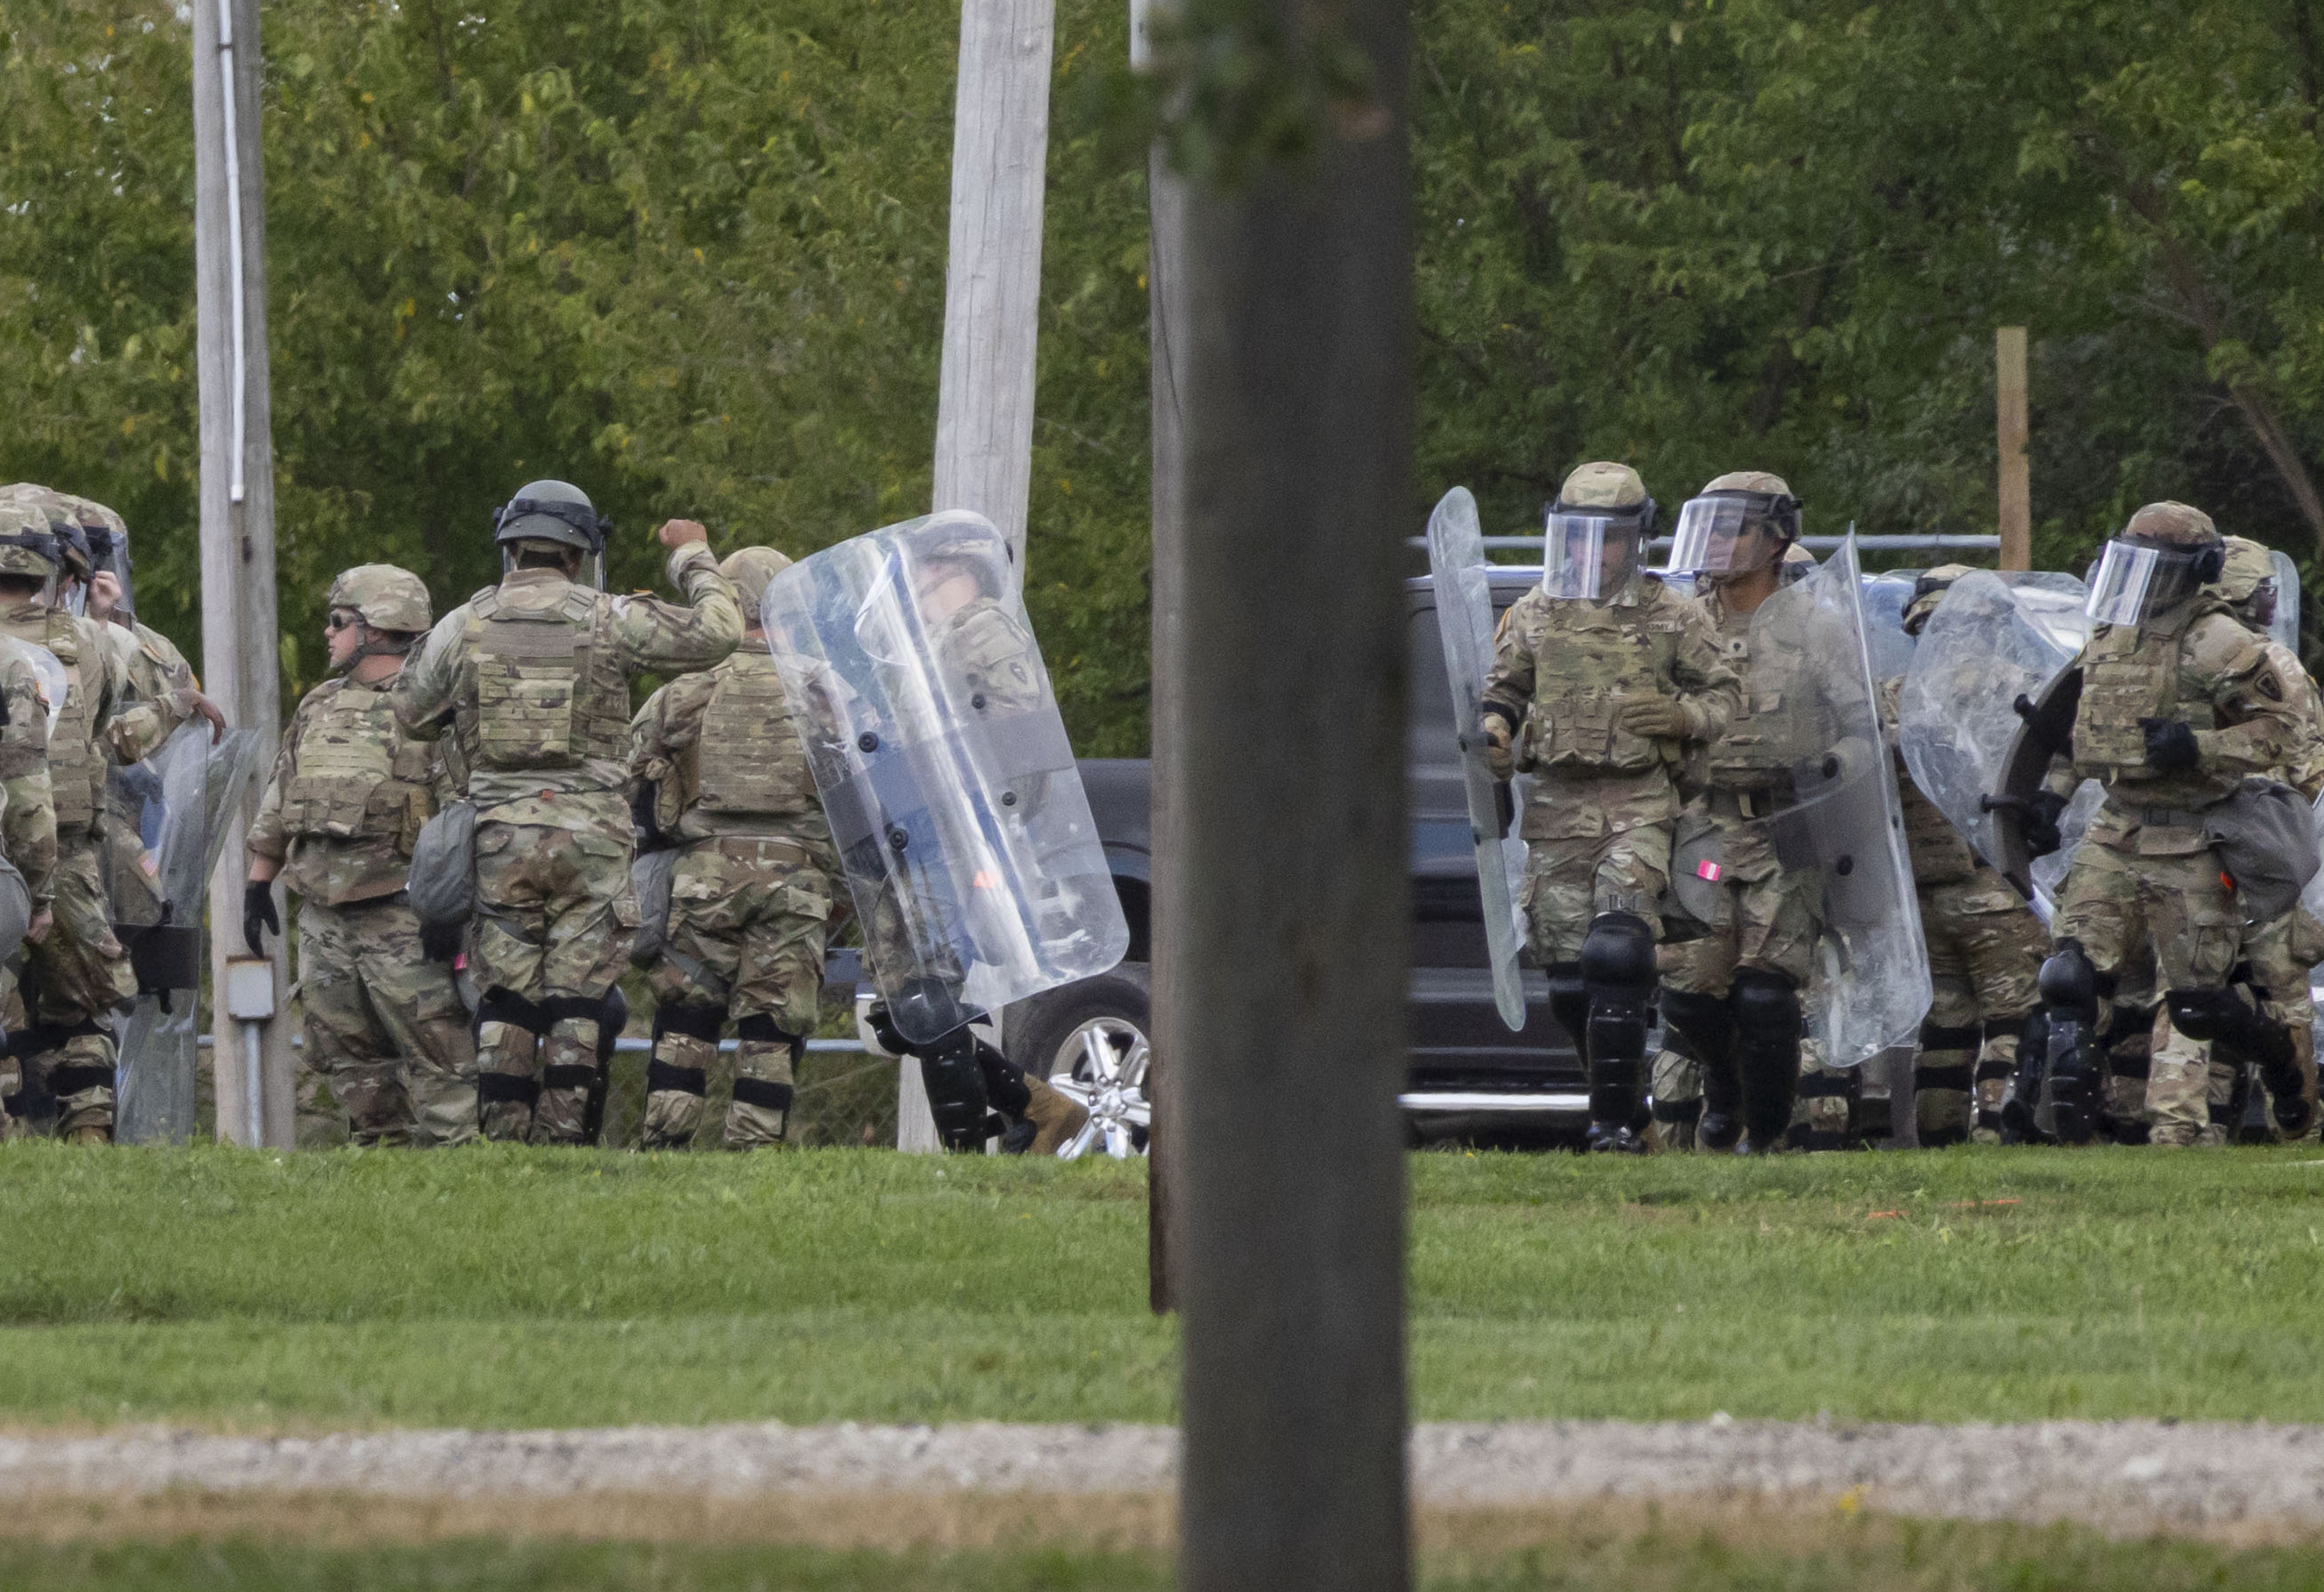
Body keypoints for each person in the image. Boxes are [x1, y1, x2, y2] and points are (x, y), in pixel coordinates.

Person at [393, 481, 741, 1144]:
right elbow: (720, 633)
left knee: (505, 996)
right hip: (594, 840)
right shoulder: (612, 618)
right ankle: (564, 1139)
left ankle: (504, 1140)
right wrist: (692, 554)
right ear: (580, 555)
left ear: (511, 548)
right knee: (579, 997)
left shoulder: (463, 624)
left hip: (501, 835)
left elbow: (409, 714)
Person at [1476, 461, 1740, 1152]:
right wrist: (1497, 735)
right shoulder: (1534, 613)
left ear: (1637, 538)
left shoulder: (1672, 615)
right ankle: (1636, 1111)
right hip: (1558, 807)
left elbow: (1725, 698)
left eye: (1610, 537)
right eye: (1579, 535)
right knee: (1569, 984)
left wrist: (1681, 718)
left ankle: (1611, 1128)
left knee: (1619, 951)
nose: (1593, 551)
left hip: (1639, 803)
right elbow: (1503, 691)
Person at [2034, 503, 2304, 1149]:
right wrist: (2049, 798)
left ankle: (2280, 1061)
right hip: (2118, 824)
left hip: (2191, 833)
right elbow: (2081, 730)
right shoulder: (2111, 633)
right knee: (2069, 975)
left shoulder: (2223, 643)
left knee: (2197, 1005)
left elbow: (2282, 734)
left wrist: (2200, 747)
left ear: (2195, 572)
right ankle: (2072, 1132)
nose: (2141, 579)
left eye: (2155, 566)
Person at [835, 524, 1094, 1154]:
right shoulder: (933, 645)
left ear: (959, 566)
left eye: (926, 567)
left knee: (928, 992)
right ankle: (1039, 1108)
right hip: (923, 833)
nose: (915, 580)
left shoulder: (981, 626)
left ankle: (969, 1151)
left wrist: (982, 810)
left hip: (958, 834)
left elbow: (1016, 731)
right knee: (908, 1007)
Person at [244, 565, 479, 1147]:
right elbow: (281, 798)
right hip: (324, 916)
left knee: (444, 1061)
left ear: (376, 630)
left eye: (338, 622)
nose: (327, 634)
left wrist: (454, 918)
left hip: (403, 914)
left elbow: (463, 815)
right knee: (348, 1063)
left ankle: (470, 1189)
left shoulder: (433, 710)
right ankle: (380, 1177)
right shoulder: (319, 705)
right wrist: (257, 885)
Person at [1657, 472, 1857, 1154]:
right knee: (1688, 995)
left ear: (1776, 541)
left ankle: (1764, 1139)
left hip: (1785, 826)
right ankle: (1723, 1080)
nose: (1715, 542)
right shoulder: (1677, 621)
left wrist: (1833, 764)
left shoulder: (1817, 627)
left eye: (1732, 527)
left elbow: (1868, 727)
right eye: (1707, 526)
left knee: (1767, 1001)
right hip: (1701, 829)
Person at [627, 546, 842, 1149]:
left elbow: (636, 781)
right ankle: (752, 1156)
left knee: (685, 1020)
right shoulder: (827, 694)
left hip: (704, 880)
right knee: (772, 1030)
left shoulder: (687, 692)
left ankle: (663, 1151)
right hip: (797, 885)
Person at [1886, 567, 2047, 1145]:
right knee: (2015, 1020)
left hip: (1924, 897)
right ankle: (1999, 1139)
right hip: (1999, 892)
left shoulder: (1892, 699)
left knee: (1946, 1028)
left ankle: (1939, 1149)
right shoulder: (2025, 689)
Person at [0, 499, 133, 1141]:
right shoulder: (90, 642)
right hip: (72, 861)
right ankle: (87, 1147)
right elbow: (108, 722)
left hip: (7, 857)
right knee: (82, 1018)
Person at [2200, 536, 2324, 1141]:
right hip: (2264, 856)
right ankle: (2294, 1126)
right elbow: (2309, 771)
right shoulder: (2273, 664)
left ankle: (2202, 1127)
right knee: (2283, 1000)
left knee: (2210, 996)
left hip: (2193, 856)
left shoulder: (2183, 658)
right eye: (2263, 592)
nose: (2272, 604)